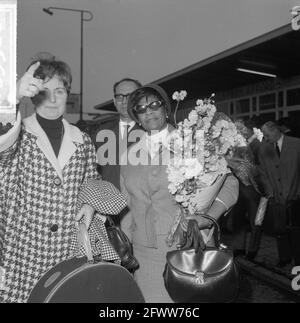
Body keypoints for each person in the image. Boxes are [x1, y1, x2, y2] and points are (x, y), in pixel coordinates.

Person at [0, 59, 125, 303]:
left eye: (59, 91)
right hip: (22, 254)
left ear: (67, 94)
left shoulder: (82, 140)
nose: (53, 99)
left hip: (68, 252)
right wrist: (10, 99)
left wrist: (90, 205)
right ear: (33, 96)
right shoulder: (17, 134)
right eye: (45, 92)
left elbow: (92, 181)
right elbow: (3, 143)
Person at [120, 84, 239, 302]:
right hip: (143, 253)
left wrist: (209, 217)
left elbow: (229, 183)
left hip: (186, 247)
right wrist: (124, 246)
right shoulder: (129, 155)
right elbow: (127, 202)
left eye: (154, 104)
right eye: (141, 108)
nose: (149, 111)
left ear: (166, 108)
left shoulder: (193, 142)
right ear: (136, 118)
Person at [260, 121, 300, 267]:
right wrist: (270, 191)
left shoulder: (296, 144)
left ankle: (298, 261)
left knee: (296, 231)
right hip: (276, 198)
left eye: (266, 135)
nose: (265, 138)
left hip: (296, 197)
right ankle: (285, 258)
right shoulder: (264, 149)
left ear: (276, 131)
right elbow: (263, 173)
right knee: (280, 230)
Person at [94, 78, 142, 191]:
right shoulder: (100, 133)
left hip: (140, 206)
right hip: (107, 204)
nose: (124, 101)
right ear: (114, 101)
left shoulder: (150, 133)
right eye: (120, 96)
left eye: (130, 96)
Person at [228, 120, 263, 260]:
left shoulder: (250, 145)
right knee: (237, 220)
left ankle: (253, 250)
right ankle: (239, 248)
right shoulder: (232, 145)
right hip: (236, 187)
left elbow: (257, 166)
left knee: (255, 221)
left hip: (251, 187)